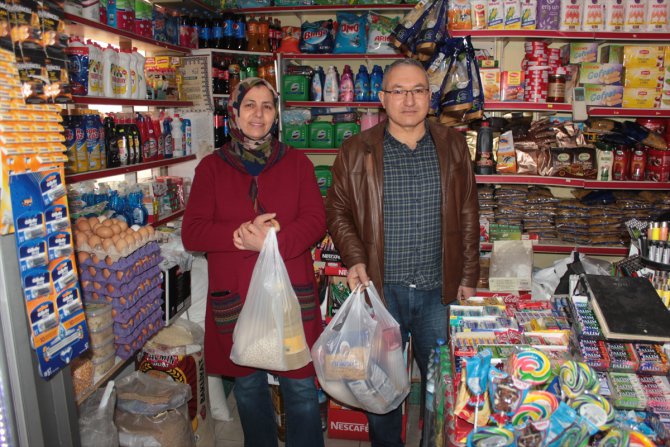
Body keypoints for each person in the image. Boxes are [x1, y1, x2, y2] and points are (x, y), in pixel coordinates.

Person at [325, 58, 480, 447]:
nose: (408, 100)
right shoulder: (357, 149)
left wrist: (468, 276)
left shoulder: (453, 144)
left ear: (430, 96)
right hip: (382, 291)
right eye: (398, 91)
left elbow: (468, 211)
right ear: (382, 98)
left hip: (436, 292)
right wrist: (355, 257)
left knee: (438, 389)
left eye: (418, 90)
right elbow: (338, 210)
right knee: (381, 389)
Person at [181, 77, 326, 447]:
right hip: (237, 296)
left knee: (301, 389)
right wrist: (243, 233)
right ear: (234, 112)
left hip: (290, 294)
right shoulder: (211, 169)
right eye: (249, 105)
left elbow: (315, 220)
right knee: (247, 389)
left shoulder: (297, 164)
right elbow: (193, 233)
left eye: (266, 106)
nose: (257, 114)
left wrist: (274, 240)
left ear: (276, 114)